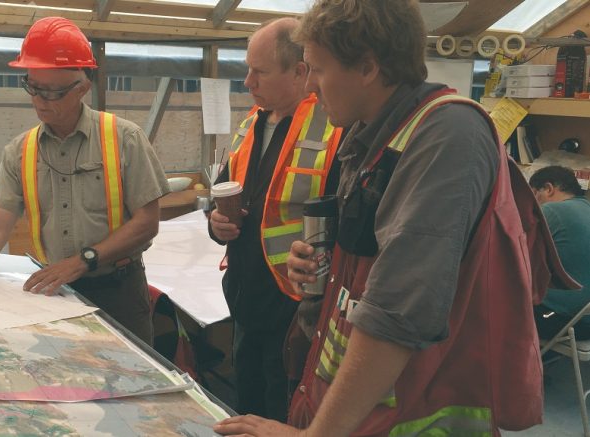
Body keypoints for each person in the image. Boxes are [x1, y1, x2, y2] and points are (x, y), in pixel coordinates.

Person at [214, 0, 576, 435]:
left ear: (367, 67)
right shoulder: (370, 136)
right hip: (360, 409)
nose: (310, 85)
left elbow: (399, 309)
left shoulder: (448, 135)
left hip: (417, 411)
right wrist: (317, 265)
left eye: (317, 69)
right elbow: (368, 263)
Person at [0, 17, 170, 346]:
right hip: (55, 291)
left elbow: (147, 222)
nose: (39, 100)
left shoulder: (124, 139)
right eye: (33, 87)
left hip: (119, 291)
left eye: (51, 92)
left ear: (82, 88)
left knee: (138, 382)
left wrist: (83, 261)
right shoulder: (21, 152)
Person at [208, 17, 342, 422]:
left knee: (284, 409)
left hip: (296, 310)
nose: (247, 82)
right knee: (246, 401)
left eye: (259, 72)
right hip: (247, 299)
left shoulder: (335, 127)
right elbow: (221, 190)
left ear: (300, 71)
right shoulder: (252, 122)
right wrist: (214, 223)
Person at [530, 166, 590, 340]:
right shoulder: (586, 208)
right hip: (584, 320)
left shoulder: (551, 211)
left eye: (534, 196)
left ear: (549, 189)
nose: (532, 205)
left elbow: (515, 252)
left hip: (567, 322)